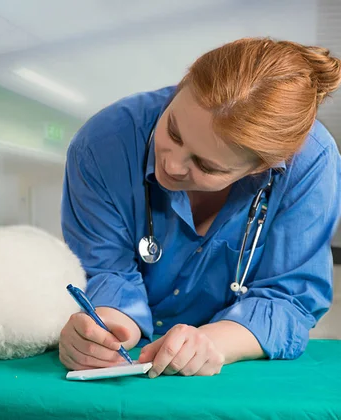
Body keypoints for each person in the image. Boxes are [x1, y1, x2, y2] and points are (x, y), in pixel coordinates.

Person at [58, 37, 341, 379]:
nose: (172, 166)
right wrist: (106, 332)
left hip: (233, 364)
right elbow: (107, 270)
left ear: (261, 167)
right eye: (173, 131)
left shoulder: (311, 161)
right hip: (135, 351)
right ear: (182, 85)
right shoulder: (102, 144)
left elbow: (289, 297)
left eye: (207, 166)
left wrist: (211, 342)